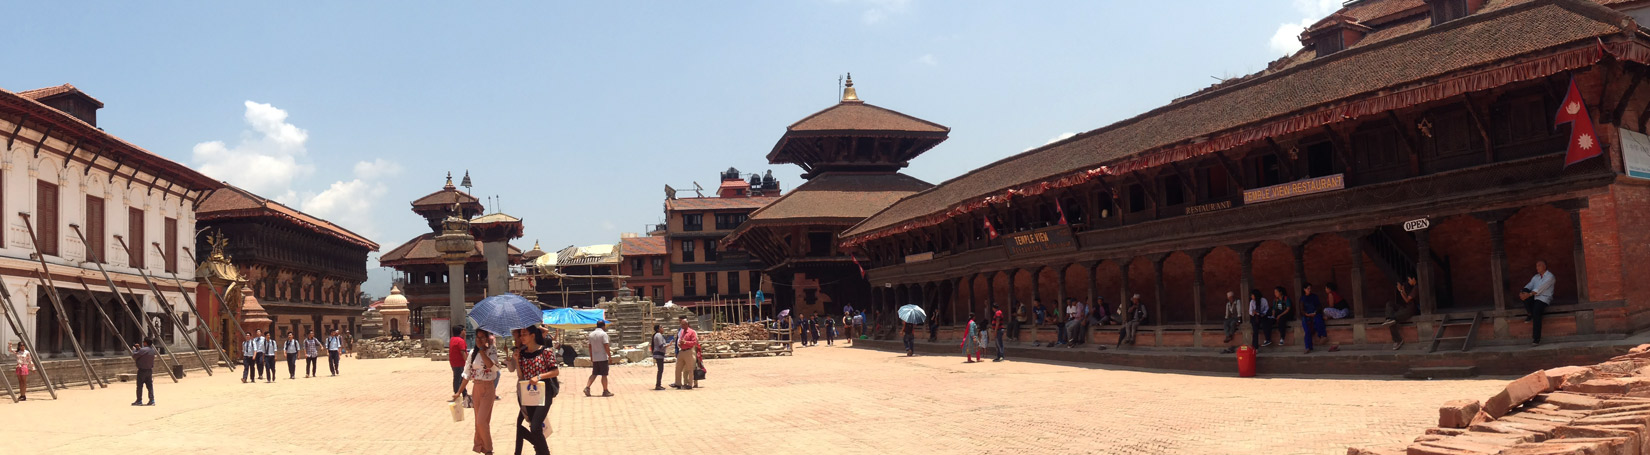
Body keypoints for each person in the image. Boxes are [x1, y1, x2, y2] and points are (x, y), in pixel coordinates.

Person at [509, 325, 557, 455]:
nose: (521, 337)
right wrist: (517, 361)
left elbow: (555, 371)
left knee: (535, 427)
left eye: (524, 334)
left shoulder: (545, 351)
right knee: (532, 428)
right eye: (521, 335)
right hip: (528, 393)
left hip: (544, 392)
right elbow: (521, 376)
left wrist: (539, 376)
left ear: (532, 336)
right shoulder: (523, 354)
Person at [453, 329, 500, 455]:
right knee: (479, 422)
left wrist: (482, 351)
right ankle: (483, 448)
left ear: (487, 338)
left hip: (488, 388)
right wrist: (459, 392)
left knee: (481, 420)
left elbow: (492, 366)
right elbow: (467, 374)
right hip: (477, 388)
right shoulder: (472, 353)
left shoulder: (492, 350)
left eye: (482, 337)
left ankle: (489, 449)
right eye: (477, 338)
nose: (479, 340)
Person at [1521, 260, 1557, 345]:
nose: (1537, 267)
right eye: (1536, 266)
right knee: (1524, 295)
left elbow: (1540, 289)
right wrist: (1522, 292)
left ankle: (1536, 338)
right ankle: (1530, 313)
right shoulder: (1536, 277)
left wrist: (1528, 294)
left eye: (1539, 265)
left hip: (1544, 298)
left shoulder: (1550, 277)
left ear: (1545, 266)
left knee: (1537, 312)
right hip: (1534, 296)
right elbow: (1529, 286)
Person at [1379, 276, 1419, 350]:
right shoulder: (1409, 287)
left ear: (1414, 279)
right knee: (1389, 304)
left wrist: (1401, 290)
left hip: (1411, 309)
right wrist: (1401, 290)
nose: (1409, 281)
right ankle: (1389, 318)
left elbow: (1407, 300)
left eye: (1409, 279)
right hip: (1404, 307)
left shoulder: (1416, 288)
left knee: (1392, 321)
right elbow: (1405, 297)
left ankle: (1398, 340)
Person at [584, 320, 613, 397]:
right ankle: (605, 390)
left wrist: (591, 356)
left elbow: (590, 347)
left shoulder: (591, 334)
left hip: (595, 357)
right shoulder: (603, 334)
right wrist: (609, 356)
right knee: (604, 374)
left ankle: (587, 387)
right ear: (603, 326)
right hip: (602, 357)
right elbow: (606, 346)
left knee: (594, 373)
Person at [673, 316, 700, 390]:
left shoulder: (692, 332)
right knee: (678, 368)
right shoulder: (682, 332)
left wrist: (686, 342)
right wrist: (679, 343)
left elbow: (694, 342)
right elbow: (679, 340)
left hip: (689, 351)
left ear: (686, 324)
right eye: (681, 324)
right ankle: (678, 383)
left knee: (690, 368)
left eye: (682, 324)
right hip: (682, 351)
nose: (681, 326)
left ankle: (690, 384)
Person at [1300, 283, 1326, 354]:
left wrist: (1315, 312)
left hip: (1315, 313)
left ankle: (1322, 335)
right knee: (1307, 331)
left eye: (1310, 288)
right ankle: (1308, 347)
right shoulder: (1302, 298)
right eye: (1308, 288)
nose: (1309, 290)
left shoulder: (1314, 296)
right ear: (1304, 289)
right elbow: (1301, 309)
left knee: (1318, 320)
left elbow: (1319, 306)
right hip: (1306, 315)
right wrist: (1306, 314)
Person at [131, 338, 156, 406]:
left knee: (139, 386)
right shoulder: (152, 350)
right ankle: (152, 400)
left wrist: (134, 350)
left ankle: (139, 400)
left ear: (145, 343)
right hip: (149, 370)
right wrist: (139, 349)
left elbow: (135, 356)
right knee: (150, 386)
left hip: (142, 370)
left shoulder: (143, 350)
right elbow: (143, 353)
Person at [450, 327, 469, 401]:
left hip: (453, 362)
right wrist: (467, 362)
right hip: (460, 362)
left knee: (459, 378)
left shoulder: (452, 339)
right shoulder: (460, 341)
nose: (465, 332)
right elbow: (462, 352)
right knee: (459, 379)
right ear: (461, 332)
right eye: (464, 330)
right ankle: (457, 394)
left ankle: (464, 393)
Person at [650, 324, 668, 390]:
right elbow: (661, 345)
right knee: (660, 370)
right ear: (658, 329)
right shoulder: (659, 335)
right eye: (661, 327)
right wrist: (668, 345)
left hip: (658, 354)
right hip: (659, 354)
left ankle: (658, 384)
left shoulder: (657, 335)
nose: (663, 328)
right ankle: (658, 385)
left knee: (660, 370)